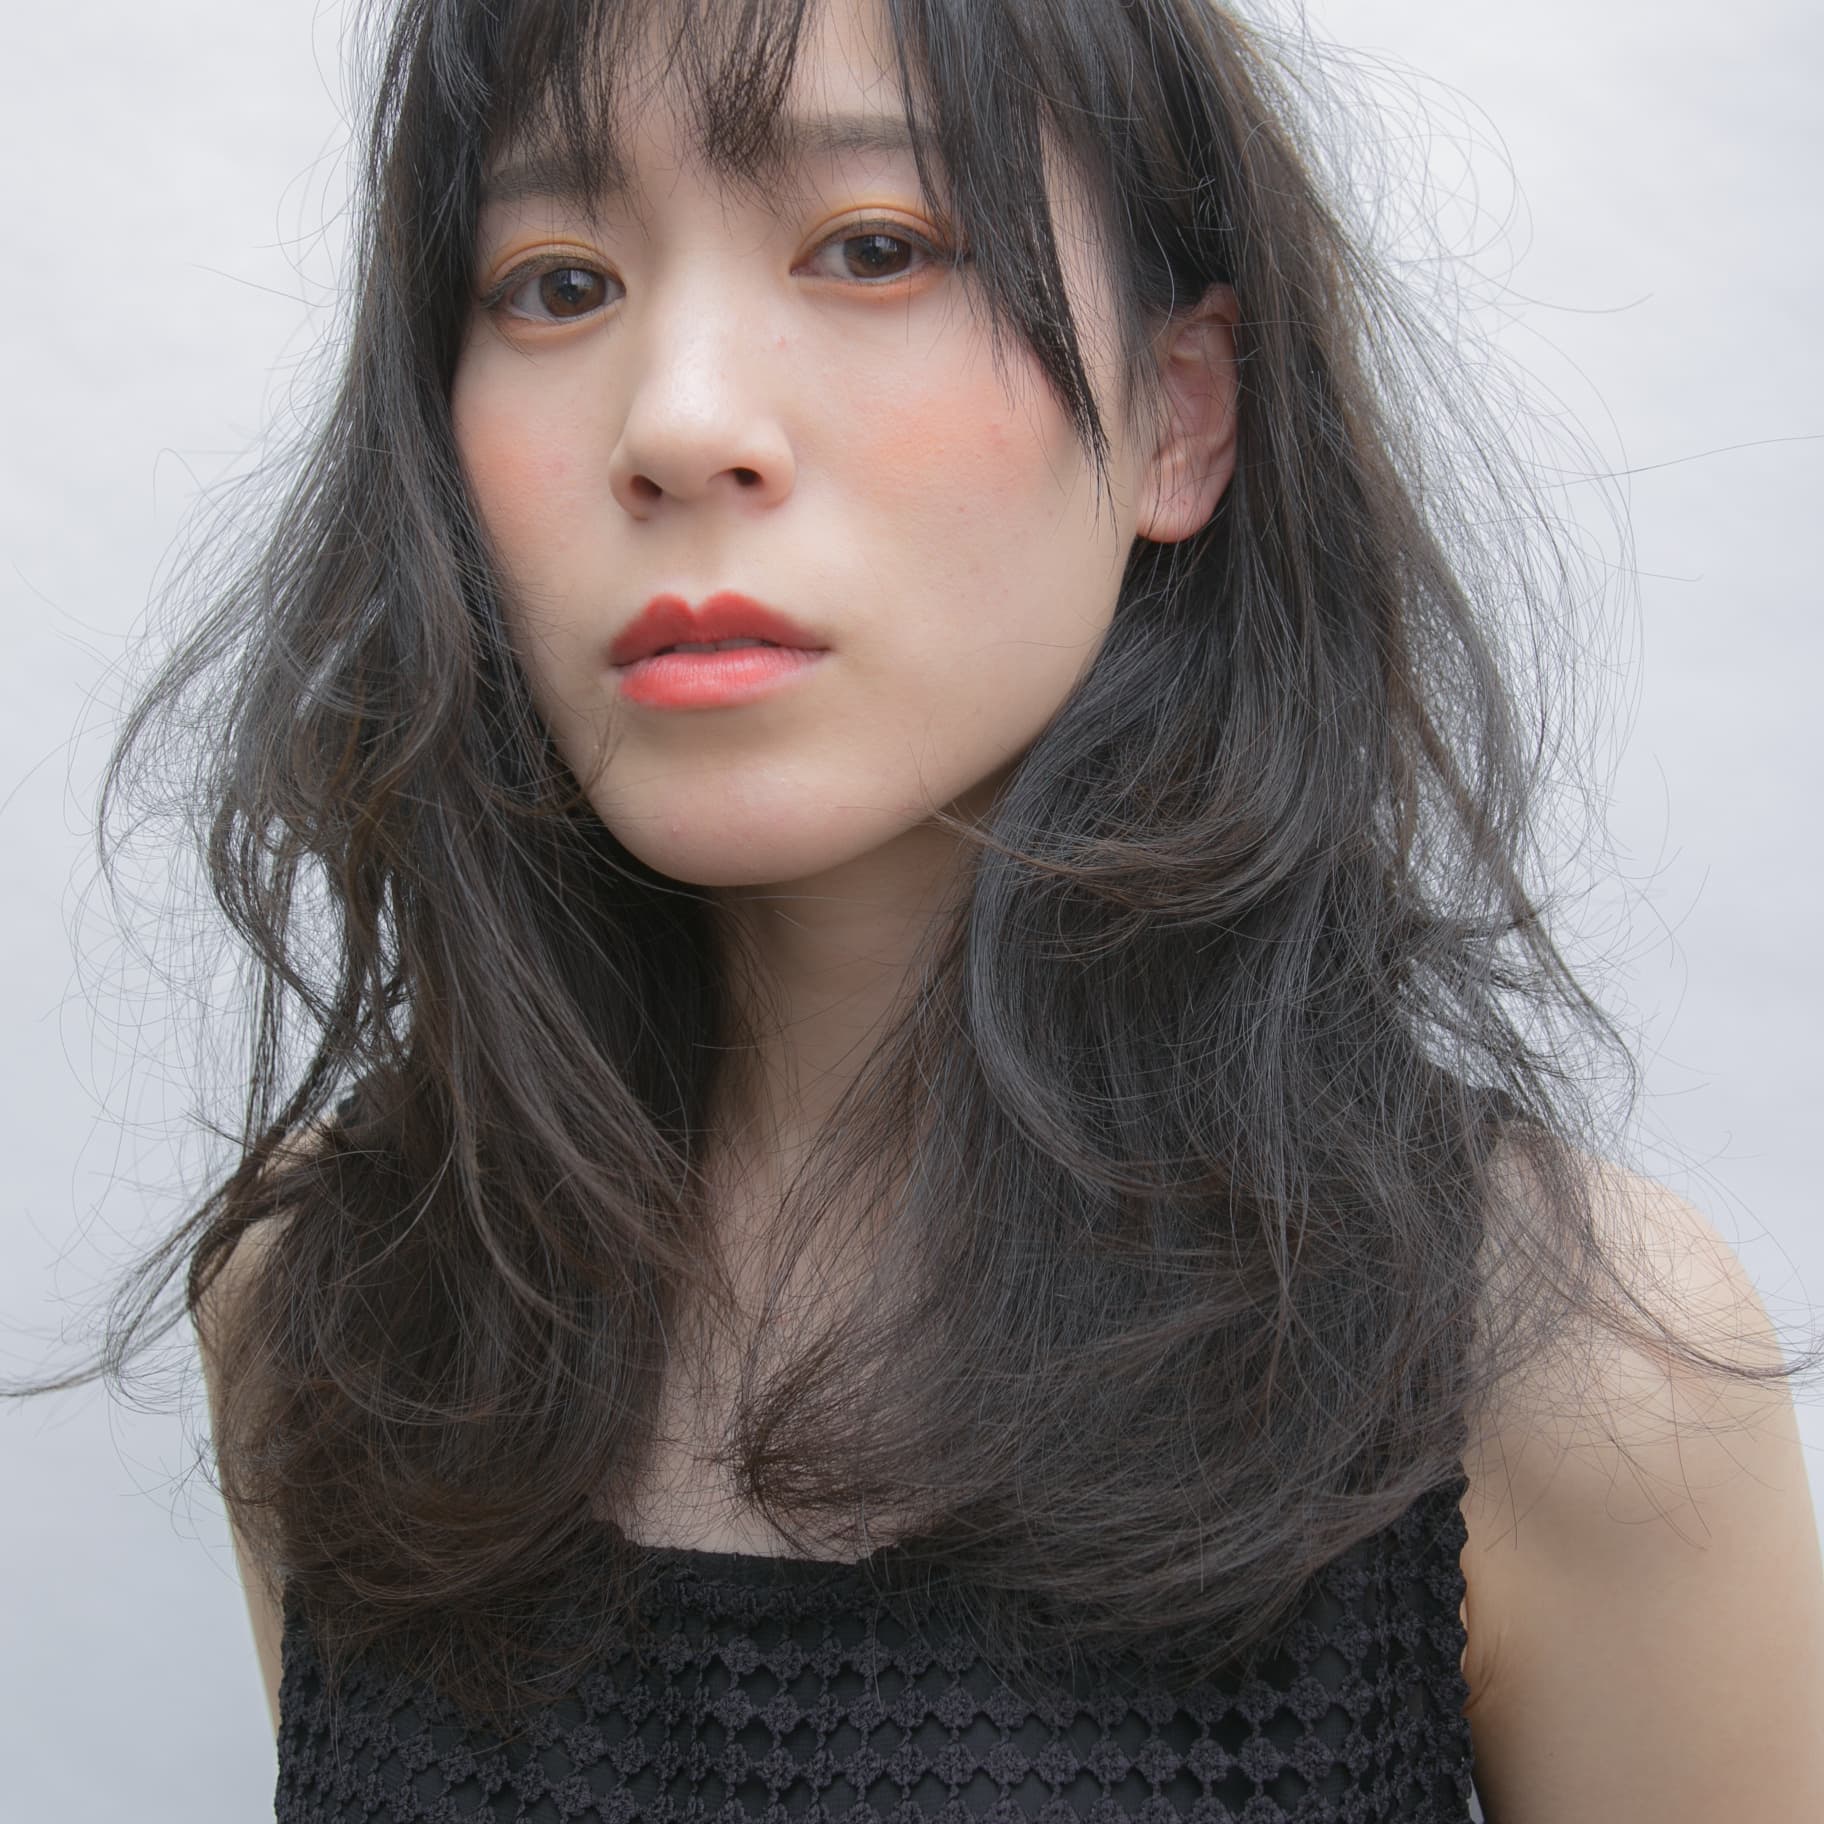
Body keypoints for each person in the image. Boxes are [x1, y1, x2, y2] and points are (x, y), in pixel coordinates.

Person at [42, 0, 1824, 1817]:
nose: (678, 423)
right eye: (557, 284)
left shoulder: (1561, 1374)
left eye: (875, 247)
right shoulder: (331, 1309)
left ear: (1181, 414)